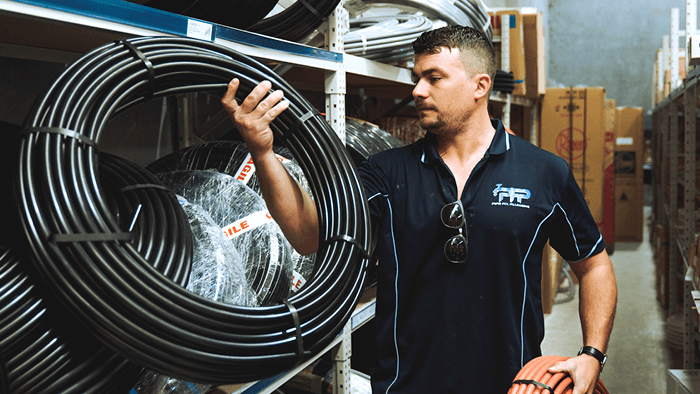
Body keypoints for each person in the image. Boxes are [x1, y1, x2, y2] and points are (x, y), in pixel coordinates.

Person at [221, 25, 617, 394]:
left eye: (434, 77)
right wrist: (263, 151)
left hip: (510, 384)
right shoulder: (387, 171)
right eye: (417, 78)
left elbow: (594, 264)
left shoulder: (544, 172)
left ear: (480, 86)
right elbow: (309, 236)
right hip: (404, 385)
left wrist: (592, 355)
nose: (418, 90)